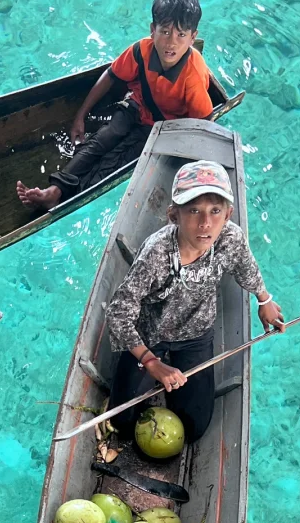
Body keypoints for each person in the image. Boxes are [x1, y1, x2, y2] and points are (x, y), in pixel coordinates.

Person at [104, 160, 284, 445]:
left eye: (215, 211)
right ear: (173, 214)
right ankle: (143, 370)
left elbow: (245, 267)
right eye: (193, 211)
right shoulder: (156, 253)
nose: (205, 223)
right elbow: (117, 313)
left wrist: (265, 300)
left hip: (195, 335)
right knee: (121, 421)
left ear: (228, 214)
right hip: (149, 335)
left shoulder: (230, 238)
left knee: (194, 427)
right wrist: (150, 361)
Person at [17, 0, 217, 211]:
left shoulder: (193, 74)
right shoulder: (142, 50)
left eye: (181, 35)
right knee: (102, 139)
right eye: (165, 32)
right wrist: (80, 116)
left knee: (117, 161)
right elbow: (111, 75)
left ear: (192, 38)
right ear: (153, 30)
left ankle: (67, 199)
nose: (172, 43)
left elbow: (203, 123)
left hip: (164, 127)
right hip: (136, 106)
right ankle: (55, 190)